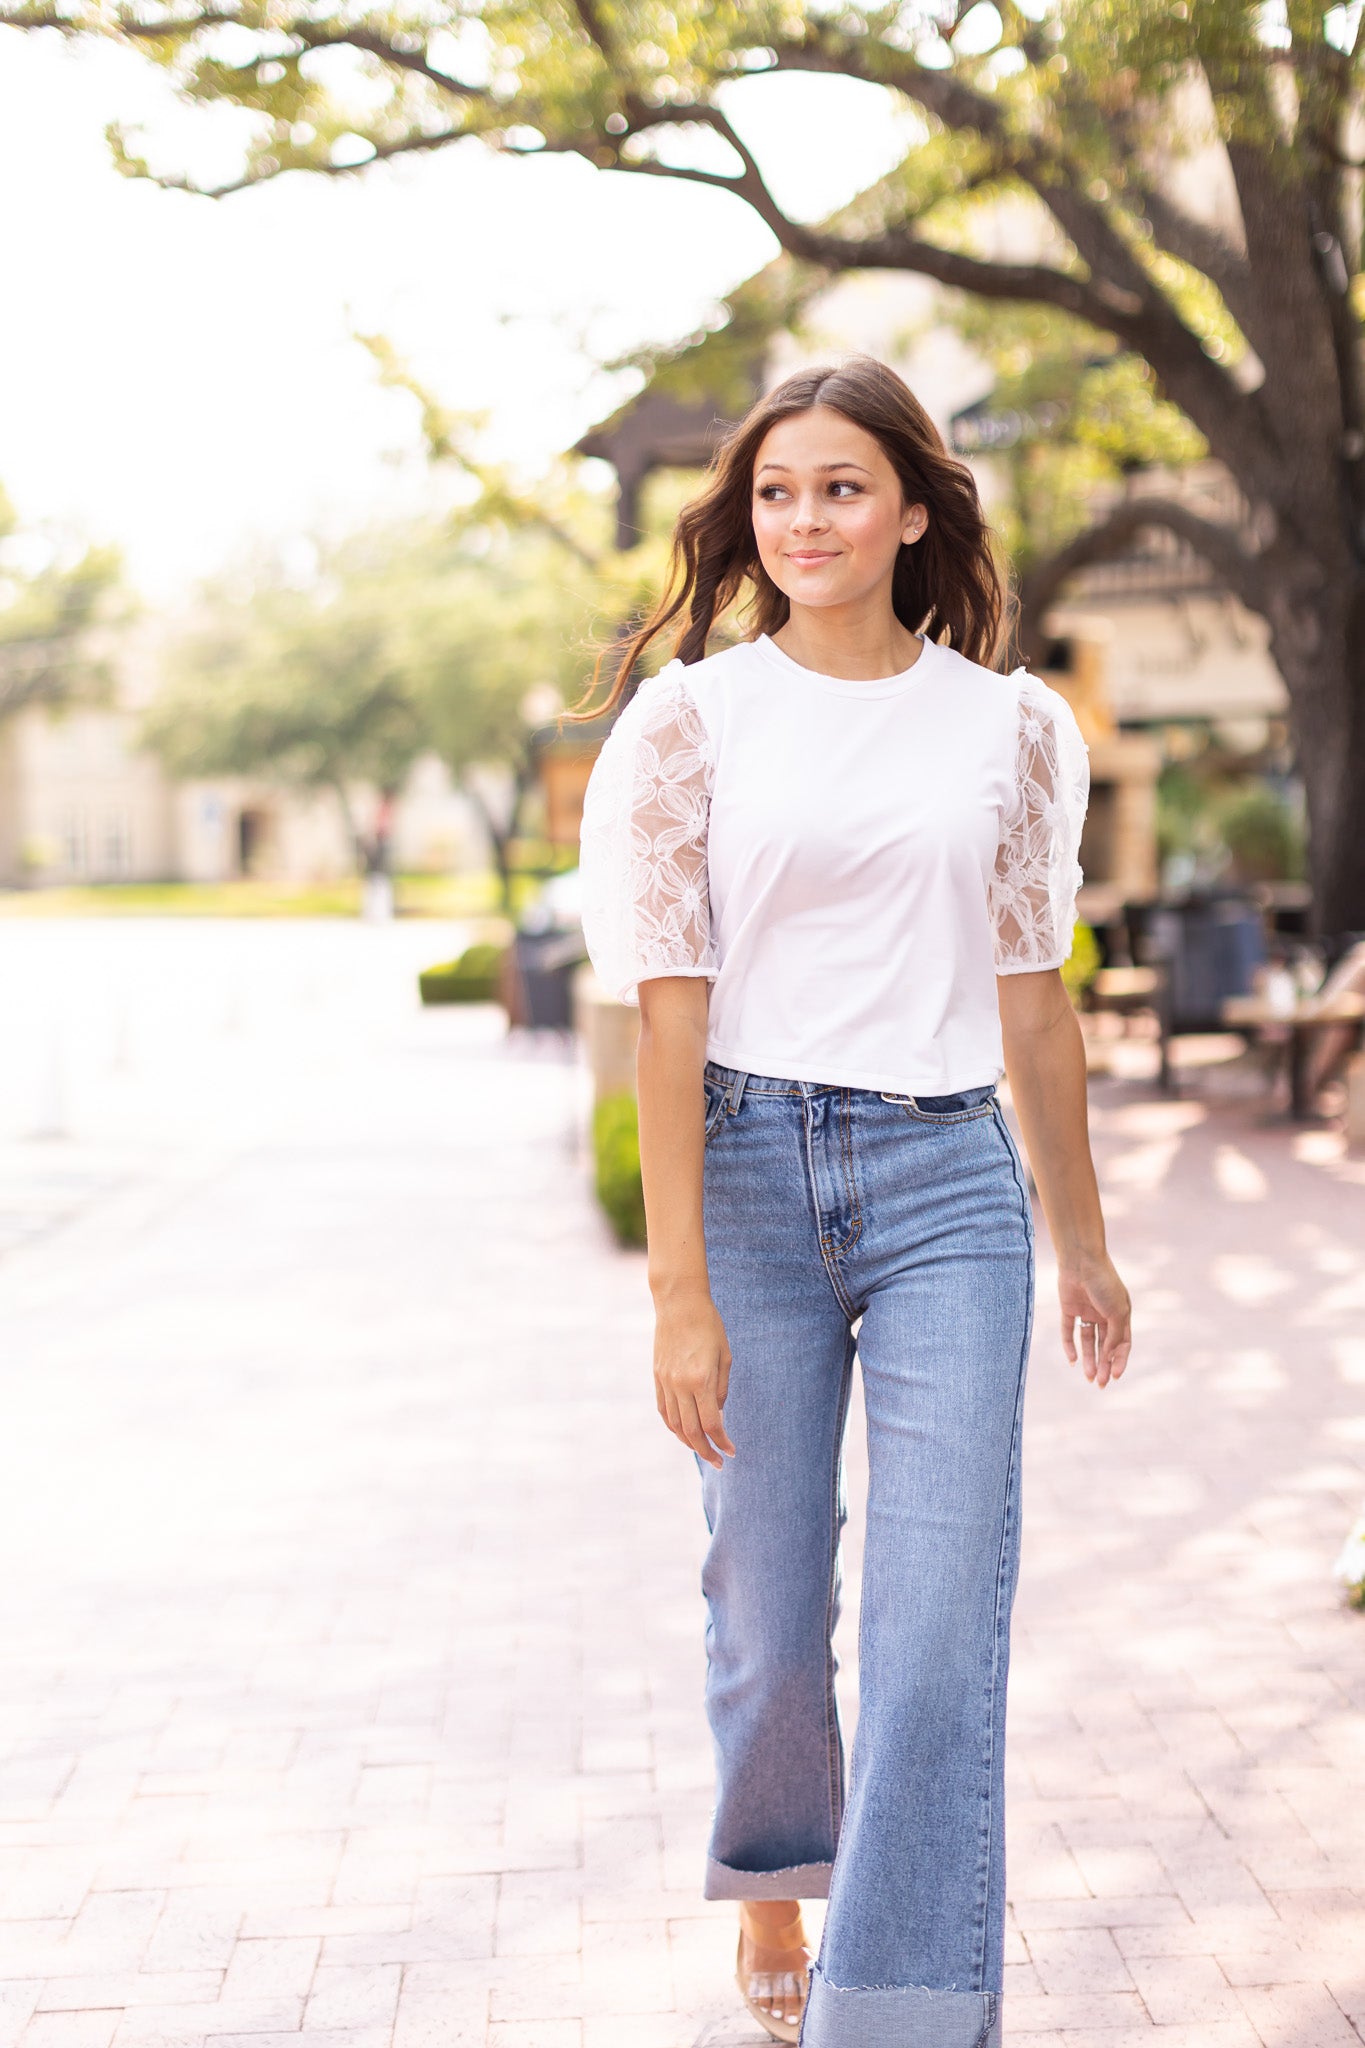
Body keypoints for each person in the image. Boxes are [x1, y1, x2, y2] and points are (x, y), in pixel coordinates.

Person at [574, 356, 1132, 2048]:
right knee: (761, 1587)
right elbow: (666, 1006)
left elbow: (1034, 996)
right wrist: (677, 1286)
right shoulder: (691, 720)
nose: (802, 519)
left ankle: (893, 2006)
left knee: (939, 1603)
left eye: (838, 487)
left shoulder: (1016, 728)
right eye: (774, 492)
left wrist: (1082, 1244)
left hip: (948, 1177)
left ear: (909, 508)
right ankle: (771, 1878)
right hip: (746, 1168)